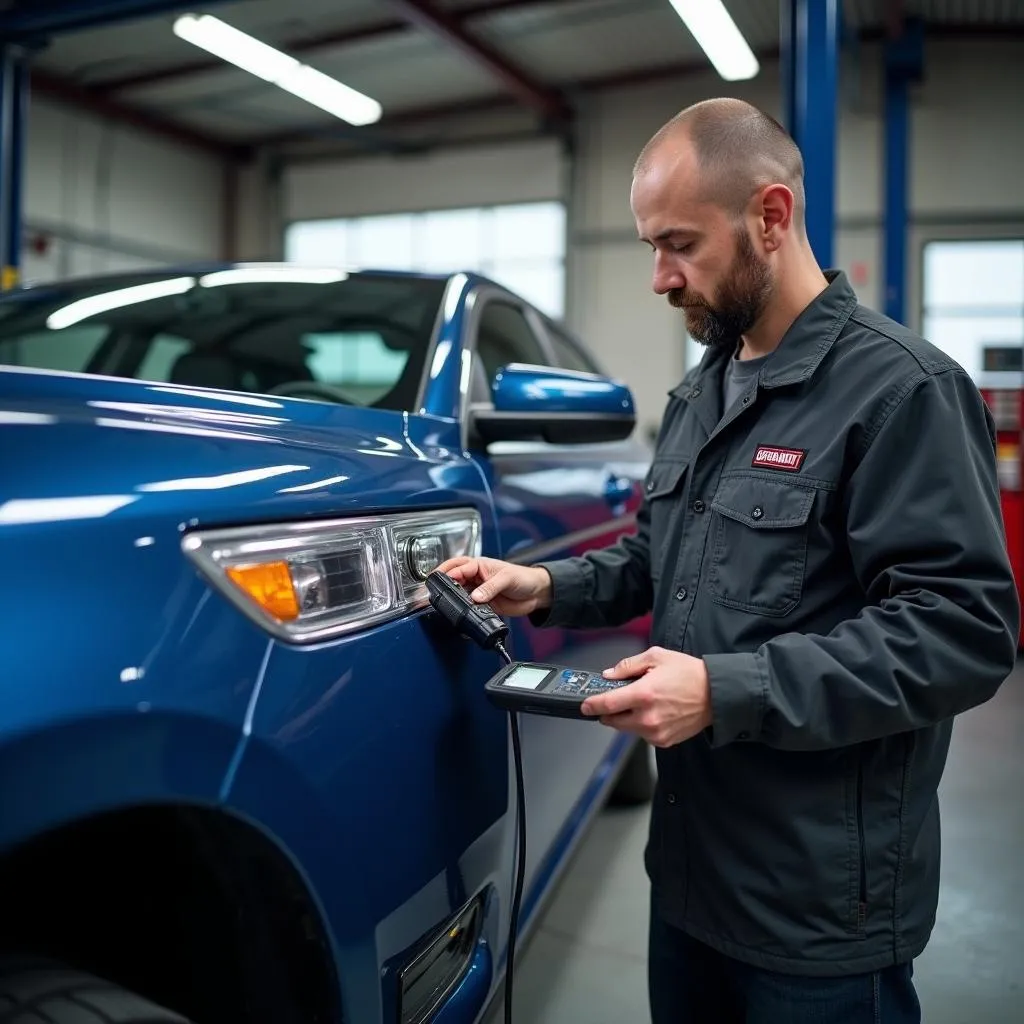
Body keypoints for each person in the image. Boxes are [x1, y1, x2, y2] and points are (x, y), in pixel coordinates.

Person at [439, 97, 1020, 1024]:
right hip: (690, 878)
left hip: (817, 913)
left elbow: (962, 632)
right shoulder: (702, 391)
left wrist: (723, 688)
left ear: (771, 216)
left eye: (679, 245)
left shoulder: (903, 391)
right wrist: (544, 585)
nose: (660, 279)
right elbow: (657, 560)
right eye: (648, 248)